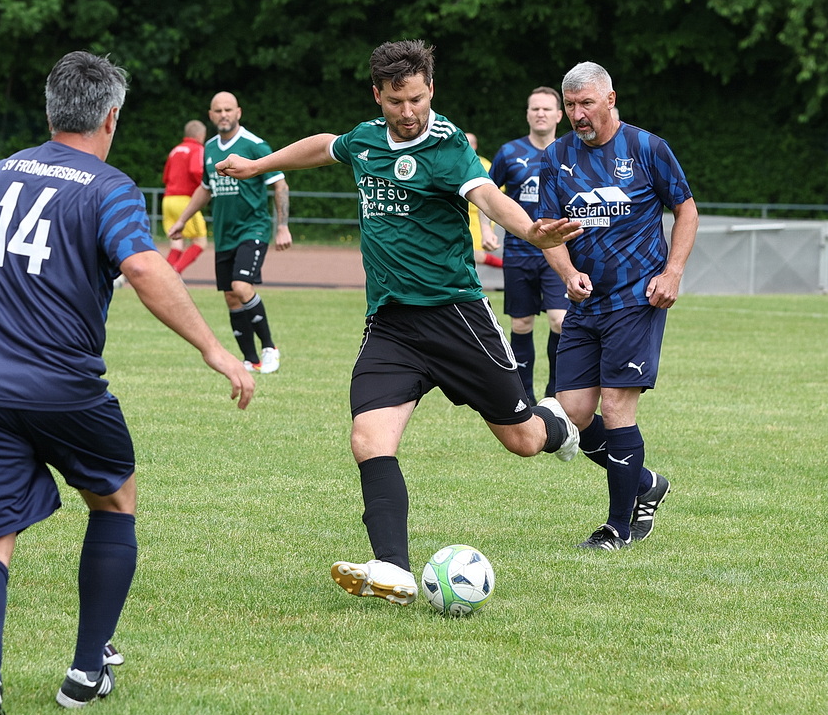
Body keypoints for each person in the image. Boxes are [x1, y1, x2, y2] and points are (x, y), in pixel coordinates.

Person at [0, 51, 255, 715]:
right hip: (62, 385)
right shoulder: (108, 187)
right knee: (114, 499)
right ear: (110, 117)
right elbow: (145, 267)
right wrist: (214, 349)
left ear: (51, 111)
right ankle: (83, 671)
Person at [215, 39, 583, 606]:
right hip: (390, 324)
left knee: (523, 440)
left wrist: (533, 232)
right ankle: (393, 567)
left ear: (431, 89)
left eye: (416, 99)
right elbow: (323, 146)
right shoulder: (366, 140)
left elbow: (490, 199)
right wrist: (261, 165)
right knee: (368, 440)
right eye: (395, 101)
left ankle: (557, 424)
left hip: (455, 317)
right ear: (377, 96)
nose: (408, 112)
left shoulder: (448, 146)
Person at [539, 61, 698, 550]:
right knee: (573, 413)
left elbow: (686, 209)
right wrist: (568, 274)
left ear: (610, 99)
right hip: (586, 305)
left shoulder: (647, 148)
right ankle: (645, 483)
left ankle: (617, 528)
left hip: (637, 299)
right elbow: (547, 232)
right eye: (571, 105)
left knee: (615, 406)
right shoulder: (557, 156)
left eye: (586, 103)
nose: (577, 114)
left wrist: (672, 272)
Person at [169, 91, 290, 373]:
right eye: (218, 110)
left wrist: (282, 226)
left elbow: (280, 184)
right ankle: (250, 360)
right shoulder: (209, 148)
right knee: (231, 297)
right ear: (211, 116)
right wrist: (183, 220)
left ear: (238, 112)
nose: (223, 115)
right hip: (224, 234)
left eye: (228, 109)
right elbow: (205, 188)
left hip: (253, 228)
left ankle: (270, 348)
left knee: (241, 286)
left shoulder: (254, 145)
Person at [487, 86, 568, 403]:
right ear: (528, 114)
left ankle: (556, 394)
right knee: (521, 324)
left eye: (547, 109)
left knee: (560, 320)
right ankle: (525, 396)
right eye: (535, 108)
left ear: (559, 115)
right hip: (519, 252)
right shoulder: (509, 152)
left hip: (558, 251)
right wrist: (487, 230)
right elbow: (487, 193)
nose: (540, 114)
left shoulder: (571, 152)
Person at [162, 119, 209, 274]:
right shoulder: (197, 148)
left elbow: (165, 177)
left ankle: (165, 276)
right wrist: (206, 186)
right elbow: (196, 170)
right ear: (201, 135)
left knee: (177, 243)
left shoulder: (175, 150)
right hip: (185, 200)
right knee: (200, 242)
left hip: (168, 200)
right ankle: (175, 273)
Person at [465, 132, 503, 271]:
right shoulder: (452, 163)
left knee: (475, 255)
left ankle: (507, 266)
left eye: (468, 143)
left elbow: (496, 191)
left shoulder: (485, 165)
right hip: (457, 216)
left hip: (477, 218)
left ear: (475, 146)